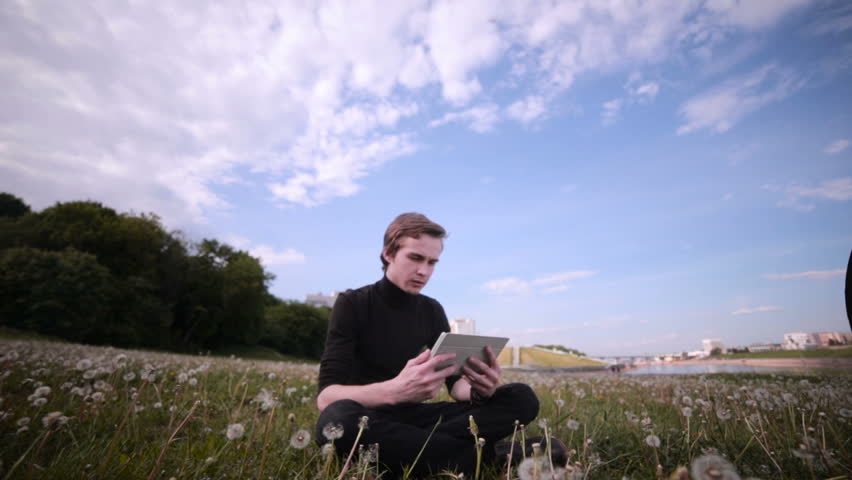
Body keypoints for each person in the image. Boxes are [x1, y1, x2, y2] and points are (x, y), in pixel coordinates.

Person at [315, 213, 540, 477]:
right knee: (336, 420)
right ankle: (494, 457)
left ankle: (420, 454)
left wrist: (479, 390)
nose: (424, 271)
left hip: (415, 418)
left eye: (432, 262)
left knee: (521, 397)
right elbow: (326, 397)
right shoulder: (352, 303)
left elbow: (455, 384)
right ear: (388, 254)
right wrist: (394, 391)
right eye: (415, 258)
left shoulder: (431, 309)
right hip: (366, 417)